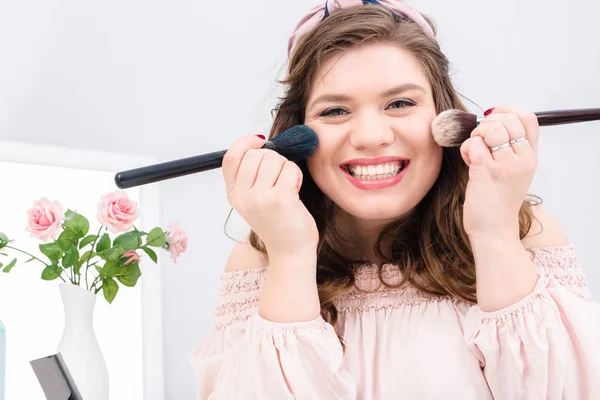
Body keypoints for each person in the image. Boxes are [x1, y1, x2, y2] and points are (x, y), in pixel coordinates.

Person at [188, 1, 600, 398]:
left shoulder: (526, 232)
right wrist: (292, 256)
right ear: (294, 135)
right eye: (334, 111)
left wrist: (493, 232)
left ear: (446, 116)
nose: (371, 136)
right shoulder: (260, 260)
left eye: (400, 103)